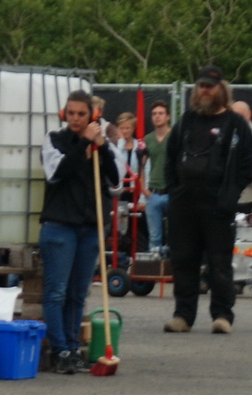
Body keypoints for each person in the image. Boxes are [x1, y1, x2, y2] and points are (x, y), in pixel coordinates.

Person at [163, 66, 252, 335]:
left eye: (210, 86)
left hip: (218, 205)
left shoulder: (236, 125)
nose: (205, 90)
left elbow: (247, 165)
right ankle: (183, 316)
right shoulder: (186, 121)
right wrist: (174, 190)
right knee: (183, 260)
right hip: (184, 204)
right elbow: (170, 158)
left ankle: (222, 315)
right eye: (201, 86)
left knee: (219, 263)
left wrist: (230, 196)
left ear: (221, 89)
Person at [39, 90, 120, 374]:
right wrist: (83, 142)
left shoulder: (102, 143)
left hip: (89, 227)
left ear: (92, 115)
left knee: (77, 294)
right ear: (64, 114)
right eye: (71, 113)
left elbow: (115, 179)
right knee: (56, 293)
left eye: (81, 114)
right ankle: (60, 350)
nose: (75, 118)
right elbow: (58, 172)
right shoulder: (54, 139)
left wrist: (102, 146)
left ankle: (73, 348)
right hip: (60, 226)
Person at [114, 111, 148, 253]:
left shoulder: (140, 147)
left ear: (133, 128)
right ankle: (121, 257)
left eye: (127, 128)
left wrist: (143, 198)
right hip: (121, 193)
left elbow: (145, 171)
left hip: (135, 192)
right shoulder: (116, 147)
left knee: (138, 227)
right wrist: (120, 143)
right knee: (121, 228)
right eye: (122, 128)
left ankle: (139, 256)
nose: (125, 131)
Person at [142, 100, 172, 253]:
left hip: (172, 192)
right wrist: (143, 189)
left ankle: (174, 266)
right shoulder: (147, 139)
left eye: (161, 113)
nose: (157, 116)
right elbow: (141, 165)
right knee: (154, 238)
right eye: (154, 114)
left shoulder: (174, 136)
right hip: (153, 193)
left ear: (168, 117)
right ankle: (154, 266)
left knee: (176, 235)